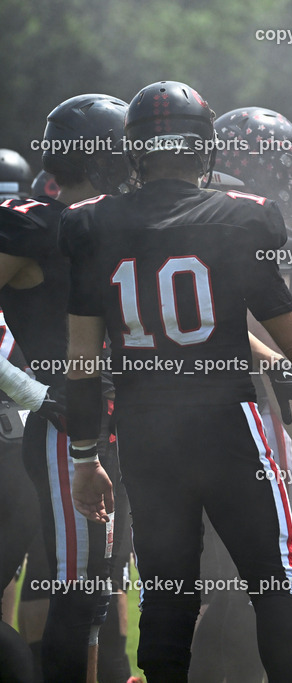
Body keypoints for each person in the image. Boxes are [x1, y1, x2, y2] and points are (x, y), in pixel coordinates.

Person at [61, 80, 292, 683]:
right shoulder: (240, 218)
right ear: (204, 149)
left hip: (149, 438)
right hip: (231, 429)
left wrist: (84, 456)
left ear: (135, 151)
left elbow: (81, 361)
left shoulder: (91, 224)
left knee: (169, 596)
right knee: (275, 584)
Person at [0, 93, 133, 683]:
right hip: (65, 424)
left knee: (101, 587)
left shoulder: (119, 224)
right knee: (77, 588)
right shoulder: (31, 228)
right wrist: (28, 391)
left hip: (123, 421)